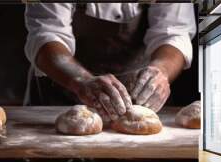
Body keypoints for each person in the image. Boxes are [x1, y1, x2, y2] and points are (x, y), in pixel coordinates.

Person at [24, 3, 196, 121]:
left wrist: (162, 71)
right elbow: (46, 33)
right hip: (59, 97)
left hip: (140, 101)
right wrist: (82, 81)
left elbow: (174, 31)